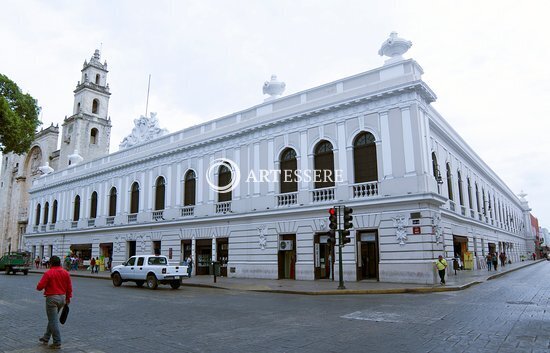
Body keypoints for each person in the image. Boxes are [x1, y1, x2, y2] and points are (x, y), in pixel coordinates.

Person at [36, 255, 73, 350]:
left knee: (53, 320)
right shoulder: (66, 273)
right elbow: (69, 288)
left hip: (52, 299)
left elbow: (40, 287)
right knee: (53, 319)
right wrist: (68, 298)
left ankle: (57, 342)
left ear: (51, 263)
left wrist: (40, 285)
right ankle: (46, 337)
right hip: (62, 298)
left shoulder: (48, 273)